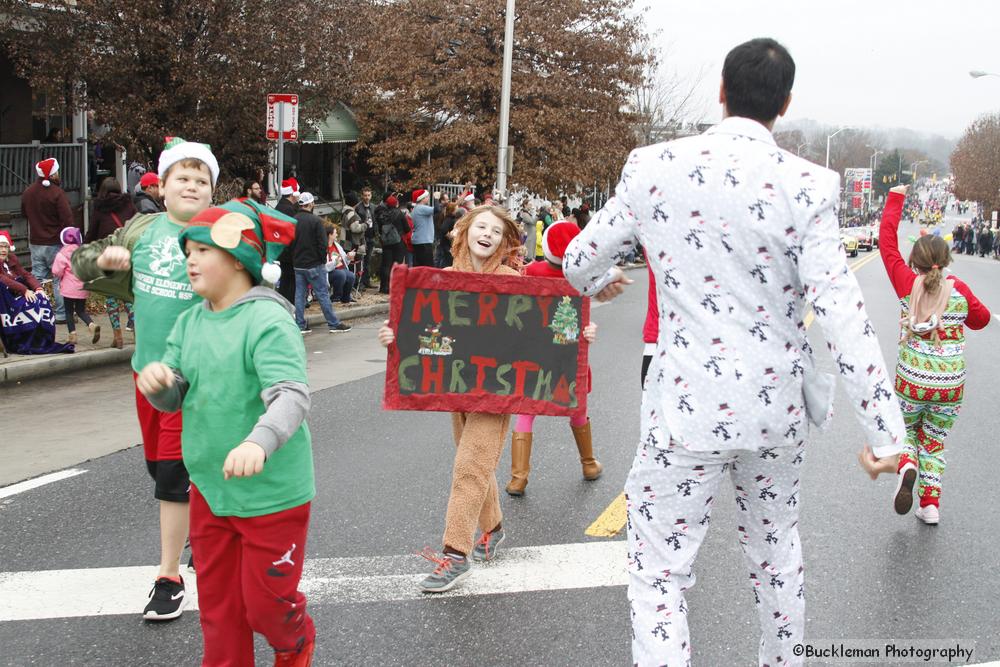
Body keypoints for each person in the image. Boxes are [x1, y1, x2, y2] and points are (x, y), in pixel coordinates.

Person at [562, 38, 906, 666]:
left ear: (721, 91)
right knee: (777, 556)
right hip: (776, 412)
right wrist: (887, 437)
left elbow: (580, 260)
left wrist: (598, 282)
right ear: (786, 104)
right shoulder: (808, 185)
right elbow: (844, 318)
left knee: (660, 571)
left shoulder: (652, 167)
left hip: (683, 408)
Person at [136, 199, 316, 666]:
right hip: (210, 491)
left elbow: (291, 395)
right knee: (219, 611)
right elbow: (175, 392)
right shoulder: (189, 321)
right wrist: (160, 386)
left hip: (272, 497)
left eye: (202, 250)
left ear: (239, 259)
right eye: (187, 251)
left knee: (266, 607)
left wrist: (260, 441)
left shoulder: (268, 319)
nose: (190, 260)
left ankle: (295, 644)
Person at [74, 138, 219, 621]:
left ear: (212, 191)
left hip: (194, 381)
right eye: (183, 177)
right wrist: (105, 262)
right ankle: (204, 528)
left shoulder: (221, 236)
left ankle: (168, 577)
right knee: (161, 472)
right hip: (147, 376)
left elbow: (251, 288)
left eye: (202, 180)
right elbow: (80, 265)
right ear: (162, 186)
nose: (192, 186)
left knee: (173, 480)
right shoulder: (140, 230)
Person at [378, 205, 524, 593]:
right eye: (481, 226)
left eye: (496, 230)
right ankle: (492, 527)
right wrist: (396, 338)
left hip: (498, 390)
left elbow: (543, 331)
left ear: (504, 240)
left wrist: (581, 333)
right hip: (458, 386)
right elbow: (421, 330)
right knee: (474, 460)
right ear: (464, 232)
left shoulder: (513, 280)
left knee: (470, 466)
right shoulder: (442, 280)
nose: (487, 234)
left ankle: (455, 555)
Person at [860, 185, 992, 525]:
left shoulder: (907, 284)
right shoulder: (959, 289)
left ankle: (906, 466)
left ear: (914, 263)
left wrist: (896, 198)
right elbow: (982, 320)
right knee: (934, 440)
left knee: (906, 433)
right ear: (945, 261)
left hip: (913, 380)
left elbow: (887, 243)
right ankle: (930, 505)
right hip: (950, 384)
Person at [506, 221, 600, 496]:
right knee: (577, 409)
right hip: (568, 356)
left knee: (526, 411)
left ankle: (518, 477)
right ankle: (589, 464)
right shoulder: (581, 278)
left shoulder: (529, 272)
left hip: (534, 354)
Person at [22, 157, 76, 323]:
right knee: (58, 278)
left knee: (37, 278)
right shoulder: (57, 193)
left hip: (35, 242)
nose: (58, 174)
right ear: (52, 175)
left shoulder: (28, 192)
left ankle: (34, 310)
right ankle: (61, 314)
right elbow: (68, 220)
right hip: (54, 242)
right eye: (57, 171)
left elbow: (24, 213)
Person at [292, 192, 352, 334]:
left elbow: (290, 242)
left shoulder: (293, 220)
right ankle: (333, 323)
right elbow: (322, 243)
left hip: (298, 263)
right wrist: (320, 260)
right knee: (322, 294)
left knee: (299, 295)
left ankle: (300, 324)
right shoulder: (316, 221)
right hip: (314, 264)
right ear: (311, 204)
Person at [88, 177, 137, 348]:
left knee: (111, 297)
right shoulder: (129, 205)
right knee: (128, 295)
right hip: (126, 253)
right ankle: (138, 332)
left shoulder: (100, 209)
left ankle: (118, 337)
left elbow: (92, 233)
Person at [51, 227, 100, 345]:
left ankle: (72, 336)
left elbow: (57, 271)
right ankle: (92, 325)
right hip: (82, 287)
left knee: (68, 312)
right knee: (80, 310)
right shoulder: (83, 252)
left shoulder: (62, 253)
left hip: (68, 288)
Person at [275, 178, 301, 305]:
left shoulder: (280, 206)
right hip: (289, 251)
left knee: (286, 279)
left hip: (282, 249)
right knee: (290, 281)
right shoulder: (289, 210)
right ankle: (288, 304)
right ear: (292, 194)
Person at [377, 195, 407, 294]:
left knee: (386, 265)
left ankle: (384, 287)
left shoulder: (383, 215)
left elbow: (380, 228)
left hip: (386, 243)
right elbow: (407, 228)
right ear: (396, 204)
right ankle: (394, 287)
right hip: (398, 242)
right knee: (396, 265)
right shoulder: (400, 214)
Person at [325, 224, 357, 304]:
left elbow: (344, 260)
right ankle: (336, 297)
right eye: (335, 233)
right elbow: (324, 266)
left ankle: (346, 298)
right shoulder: (323, 247)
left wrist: (348, 257)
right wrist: (334, 262)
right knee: (341, 274)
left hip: (340, 269)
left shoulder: (337, 245)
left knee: (351, 276)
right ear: (330, 235)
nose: (337, 234)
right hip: (329, 272)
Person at [354, 186, 377, 289]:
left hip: (371, 235)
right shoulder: (358, 207)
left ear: (371, 195)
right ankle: (360, 283)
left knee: (368, 260)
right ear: (362, 196)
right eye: (365, 195)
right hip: (362, 236)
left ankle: (367, 281)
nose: (367, 197)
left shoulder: (373, 207)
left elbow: (375, 220)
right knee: (361, 259)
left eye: (368, 195)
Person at [410, 189, 435, 266]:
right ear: (422, 198)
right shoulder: (421, 208)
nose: (428, 198)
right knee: (428, 267)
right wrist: (437, 199)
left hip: (418, 241)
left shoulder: (416, 208)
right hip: (424, 241)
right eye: (427, 196)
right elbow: (437, 209)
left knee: (419, 267)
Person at [435, 202, 459, 268]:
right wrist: (450, 237)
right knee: (446, 261)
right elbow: (443, 229)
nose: (457, 210)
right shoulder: (449, 219)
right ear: (452, 210)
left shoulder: (449, 218)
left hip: (445, 243)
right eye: (456, 209)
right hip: (446, 244)